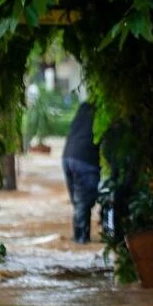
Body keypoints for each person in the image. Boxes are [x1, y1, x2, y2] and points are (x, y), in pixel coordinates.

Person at [62, 102, 101, 243]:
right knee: (83, 202)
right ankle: (81, 239)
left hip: (67, 158)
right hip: (85, 161)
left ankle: (78, 237)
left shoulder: (80, 115)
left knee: (78, 201)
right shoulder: (98, 117)